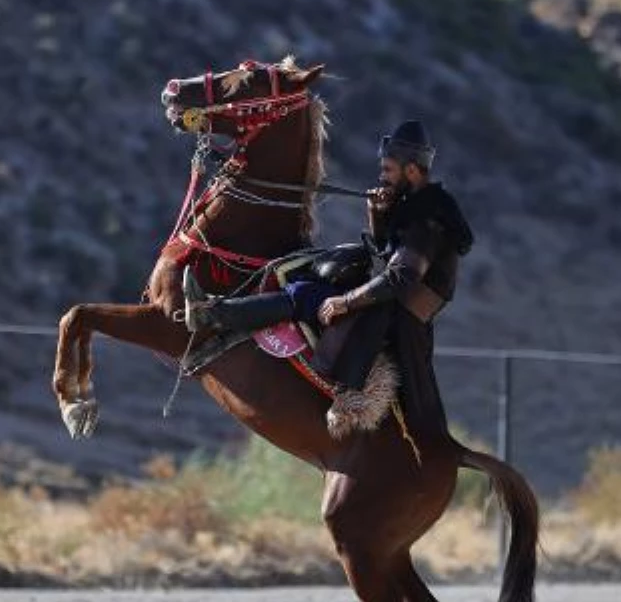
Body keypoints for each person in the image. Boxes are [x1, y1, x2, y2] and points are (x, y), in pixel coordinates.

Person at [182, 119, 474, 437]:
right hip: (391, 302)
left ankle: (212, 313)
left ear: (413, 172)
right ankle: (216, 315)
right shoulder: (413, 206)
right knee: (306, 286)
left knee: (306, 296)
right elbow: (383, 255)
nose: (382, 176)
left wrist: (345, 301)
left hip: (399, 317)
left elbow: (402, 277)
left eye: (389, 170)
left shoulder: (428, 219)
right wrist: (375, 213)